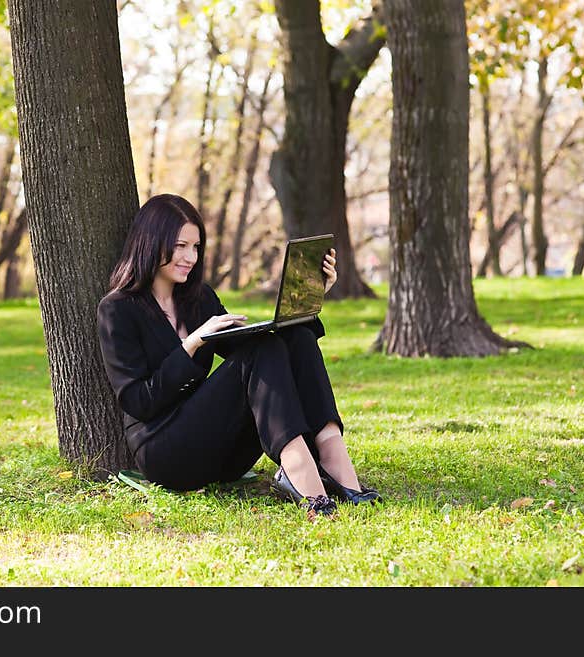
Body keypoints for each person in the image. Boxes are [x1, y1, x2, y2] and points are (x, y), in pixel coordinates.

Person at [96, 194, 381, 517]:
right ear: (150, 242)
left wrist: (310, 298)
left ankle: (333, 457)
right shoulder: (118, 309)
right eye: (180, 246)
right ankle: (302, 473)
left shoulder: (198, 298)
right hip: (166, 453)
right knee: (260, 351)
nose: (190, 257)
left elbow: (262, 354)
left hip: (224, 455)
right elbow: (137, 402)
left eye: (196, 247)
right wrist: (191, 345)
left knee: (290, 339)